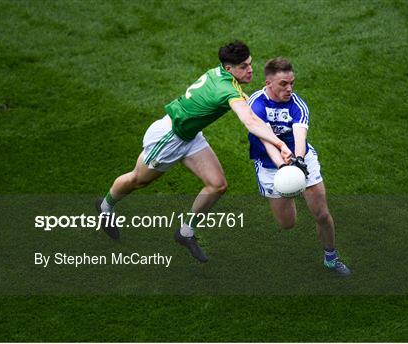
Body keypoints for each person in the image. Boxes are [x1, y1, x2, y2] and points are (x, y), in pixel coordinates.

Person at [96, 41, 292, 263]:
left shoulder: (221, 75)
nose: (250, 70)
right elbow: (249, 120)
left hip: (190, 136)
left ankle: (185, 233)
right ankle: (105, 207)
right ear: (230, 69)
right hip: (169, 137)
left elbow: (247, 104)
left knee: (218, 185)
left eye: (250, 64)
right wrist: (281, 145)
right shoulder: (226, 88)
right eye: (244, 66)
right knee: (138, 180)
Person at [247, 57, 351, 276]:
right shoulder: (256, 103)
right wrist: (284, 168)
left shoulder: (297, 105)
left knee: (322, 215)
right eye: (283, 84)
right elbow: (267, 142)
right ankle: (293, 191)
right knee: (287, 224)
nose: (289, 88)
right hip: (269, 166)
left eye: (292, 83)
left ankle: (331, 257)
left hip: (300, 160)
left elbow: (300, 135)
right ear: (268, 83)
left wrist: (299, 160)